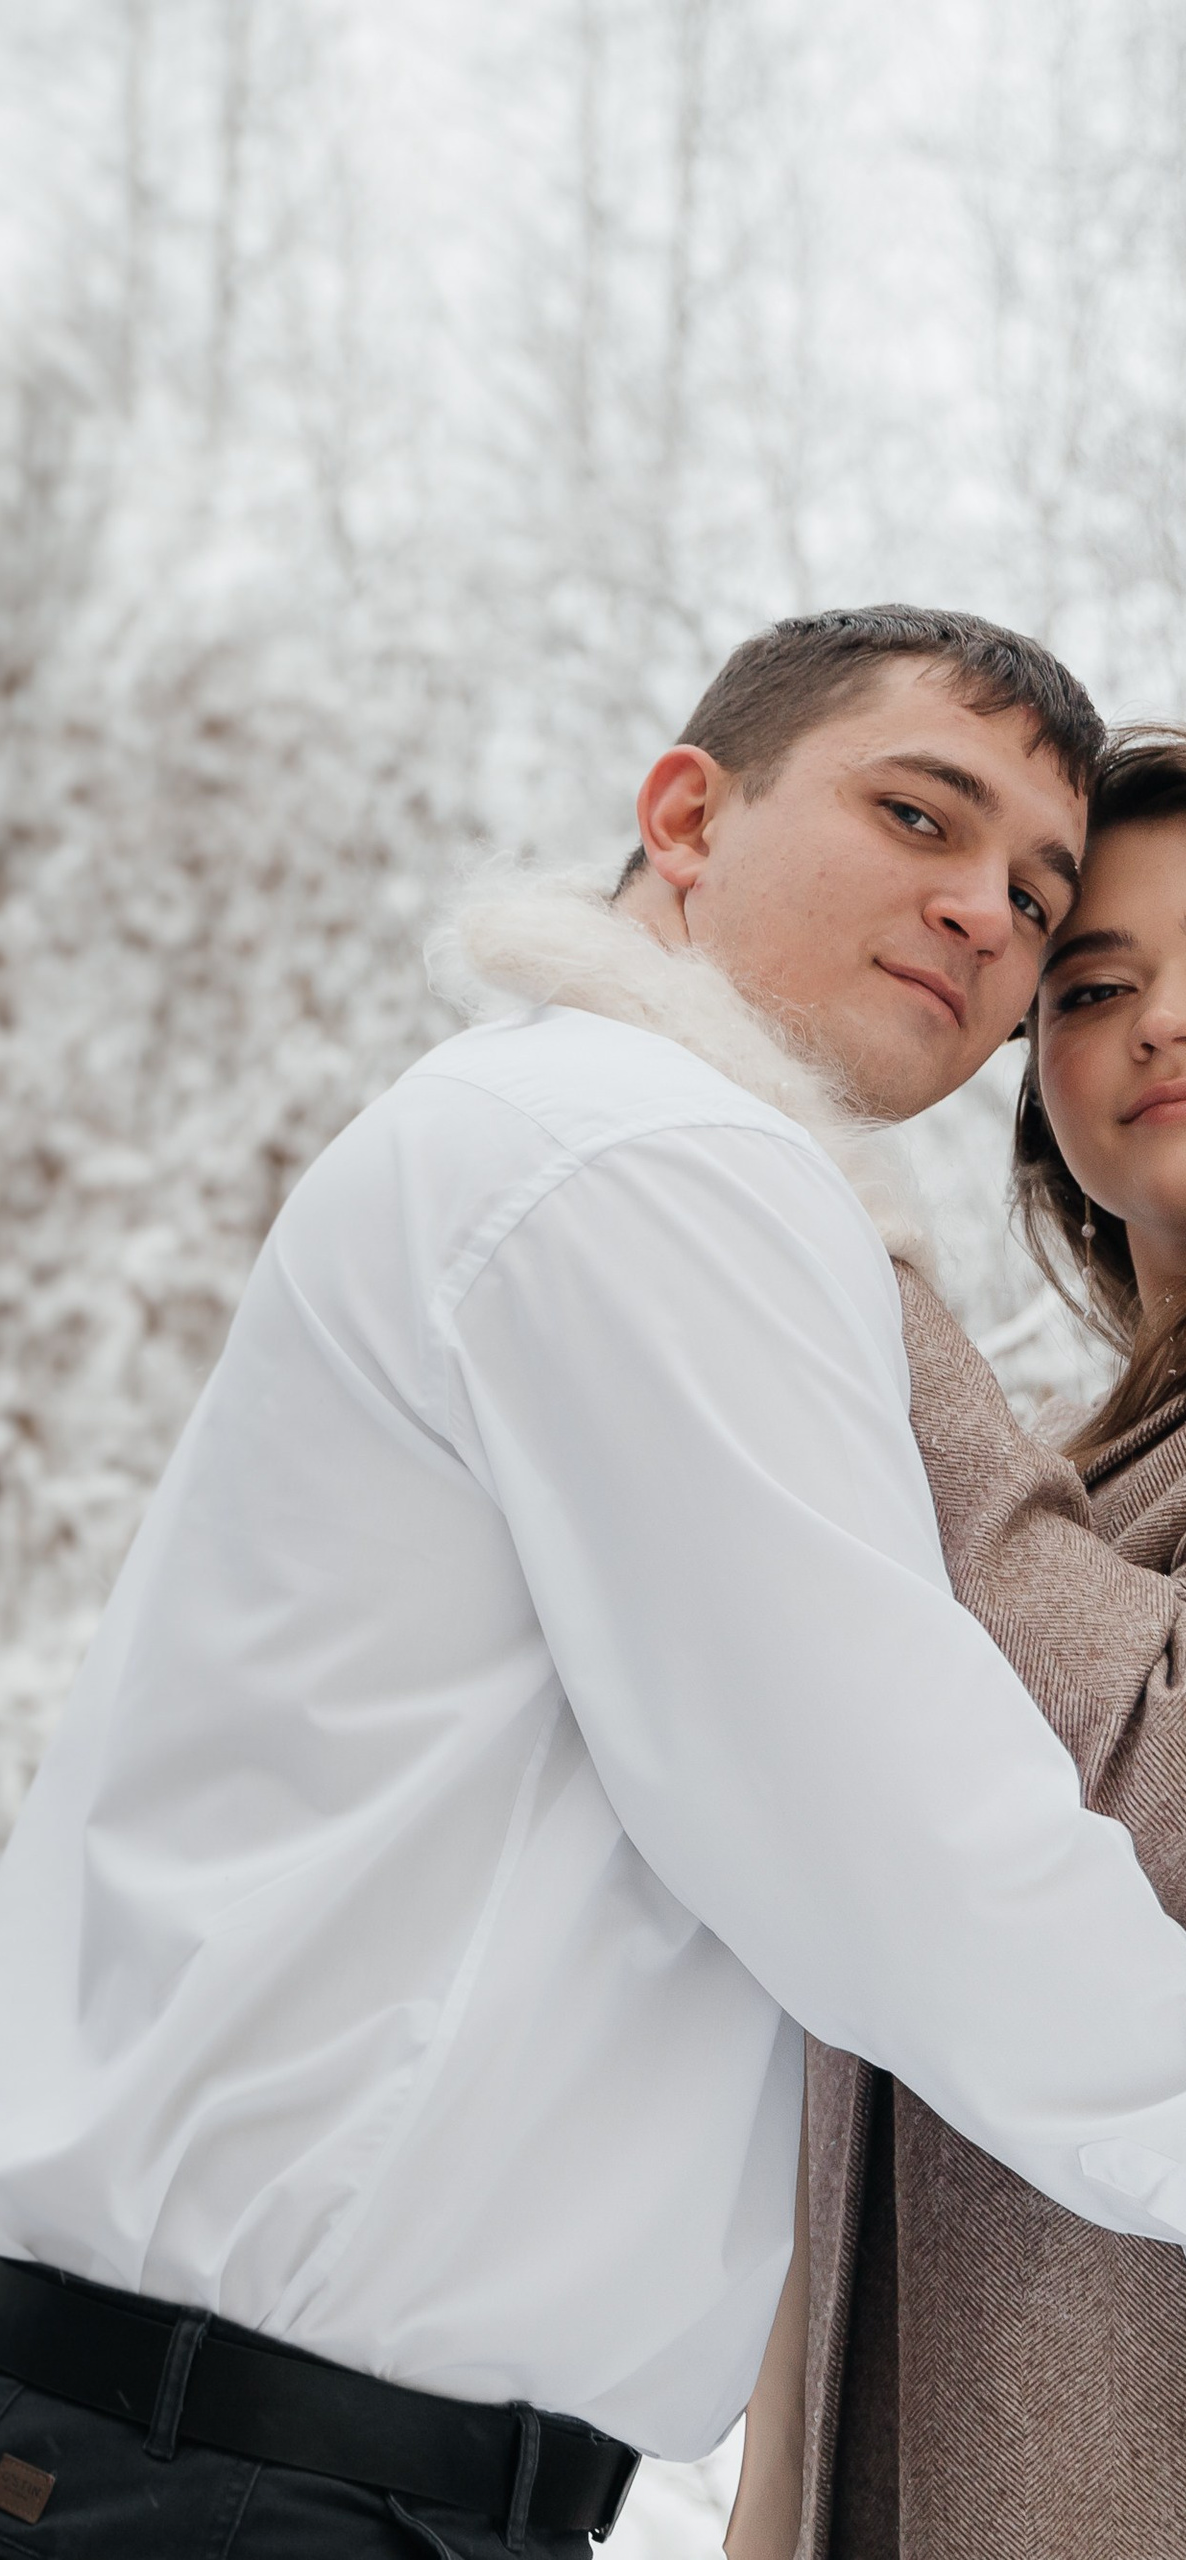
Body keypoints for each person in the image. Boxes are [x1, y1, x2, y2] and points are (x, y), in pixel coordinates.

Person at [0, 610, 1186, 2560]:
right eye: (915, 814)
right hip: (223, 2480)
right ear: (681, 815)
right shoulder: (642, 1167)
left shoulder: (602, 1147)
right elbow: (898, 1852)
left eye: (1024, 891)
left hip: (243, 2463)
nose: (981, 912)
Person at [735, 729, 1186, 2560]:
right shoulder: (1070, 1490)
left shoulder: (993, 1511)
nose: (1161, 1023)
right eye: (1097, 985)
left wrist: (845, 1258)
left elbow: (1149, 1791)